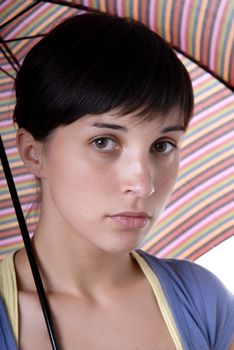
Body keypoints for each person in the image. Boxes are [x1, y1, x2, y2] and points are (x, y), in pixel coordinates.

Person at [0, 11, 233, 350]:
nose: (143, 183)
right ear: (33, 153)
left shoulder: (204, 301)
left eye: (162, 145)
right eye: (103, 142)